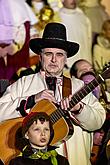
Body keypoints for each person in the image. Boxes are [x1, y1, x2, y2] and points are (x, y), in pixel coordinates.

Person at [0, 22, 105, 165]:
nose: (54, 60)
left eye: (60, 55)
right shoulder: (24, 83)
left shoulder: (78, 86)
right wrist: (31, 101)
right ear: (40, 56)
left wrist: (80, 109)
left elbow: (98, 120)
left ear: (66, 58)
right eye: (49, 54)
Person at [58, 0, 92, 69]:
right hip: (68, 63)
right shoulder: (57, 17)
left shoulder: (83, 16)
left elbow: (89, 39)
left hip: (84, 58)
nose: (73, 0)